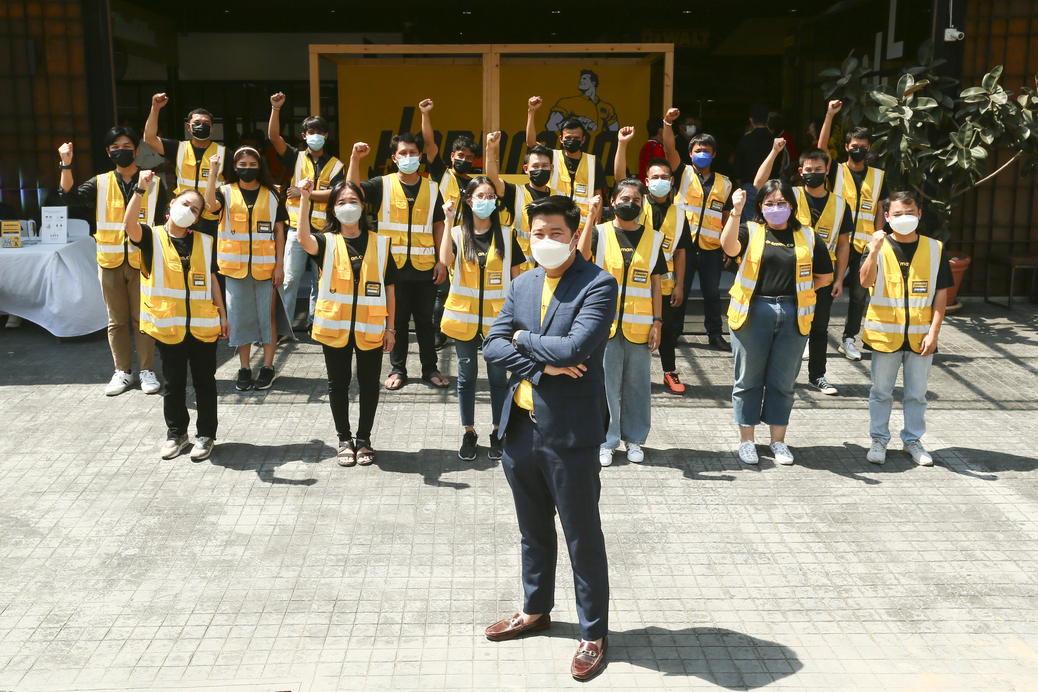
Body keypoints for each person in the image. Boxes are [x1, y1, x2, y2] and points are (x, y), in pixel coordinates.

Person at [482, 195, 617, 682]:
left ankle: (593, 633)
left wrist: (523, 340)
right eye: (537, 233)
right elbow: (491, 344)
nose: (545, 241)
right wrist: (542, 366)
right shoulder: (522, 283)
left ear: (575, 235)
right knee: (532, 530)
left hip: (571, 434)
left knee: (582, 536)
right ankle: (535, 610)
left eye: (555, 233)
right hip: (520, 428)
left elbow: (576, 347)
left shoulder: (598, 284)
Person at [720, 180, 833, 466]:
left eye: (782, 203)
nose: (776, 208)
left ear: (792, 206)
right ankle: (747, 442)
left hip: (794, 313)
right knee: (748, 380)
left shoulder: (808, 236)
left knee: (783, 382)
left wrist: (800, 293)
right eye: (769, 203)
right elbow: (729, 247)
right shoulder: (750, 230)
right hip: (752, 311)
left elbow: (824, 276)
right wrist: (735, 212)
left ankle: (778, 442)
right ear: (760, 206)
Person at [125, 174, 229, 462]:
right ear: (171, 204)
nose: (189, 211)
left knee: (205, 382)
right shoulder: (151, 236)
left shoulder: (205, 241)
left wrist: (223, 314)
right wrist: (140, 189)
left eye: (195, 209)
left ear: (197, 218)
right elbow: (129, 225)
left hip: (203, 325)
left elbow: (212, 279)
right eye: (185, 204)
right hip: (169, 326)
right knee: (174, 384)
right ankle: (177, 434)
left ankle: (206, 435)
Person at [296, 179, 397, 467]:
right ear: (333, 210)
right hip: (335, 327)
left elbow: (390, 288)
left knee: (369, 385)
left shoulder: (380, 243)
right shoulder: (326, 242)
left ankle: (363, 439)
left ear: (363, 206)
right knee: (337, 384)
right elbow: (303, 239)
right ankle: (344, 439)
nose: (348, 206)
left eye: (353, 201)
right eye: (341, 202)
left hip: (371, 327)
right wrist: (304, 199)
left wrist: (390, 328)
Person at [57, 128, 165, 397]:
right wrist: (66, 164)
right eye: (115, 147)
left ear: (137, 150)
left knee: (143, 318)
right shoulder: (100, 182)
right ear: (108, 152)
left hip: (143, 260)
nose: (121, 150)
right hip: (110, 260)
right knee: (116, 321)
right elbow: (69, 197)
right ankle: (123, 371)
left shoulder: (154, 182)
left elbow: (164, 222)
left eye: (127, 146)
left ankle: (147, 370)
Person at [346, 132, 450, 391]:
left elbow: (438, 225)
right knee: (398, 321)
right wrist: (355, 159)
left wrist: (441, 261)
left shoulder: (432, 188)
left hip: (426, 267)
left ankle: (430, 369)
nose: (408, 157)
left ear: (420, 156)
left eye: (413, 153)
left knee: (426, 322)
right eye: (403, 153)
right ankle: (398, 369)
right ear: (394, 158)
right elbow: (352, 191)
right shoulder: (382, 184)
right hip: (392, 268)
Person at [859, 191, 952, 467]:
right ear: (887, 217)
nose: (904, 218)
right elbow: (864, 282)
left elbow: (941, 293)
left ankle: (913, 440)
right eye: (897, 214)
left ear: (919, 214)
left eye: (910, 213)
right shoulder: (876, 246)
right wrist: (874, 249)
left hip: (921, 336)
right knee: (881, 391)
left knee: (917, 394)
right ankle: (879, 439)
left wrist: (934, 332)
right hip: (885, 335)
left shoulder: (935, 248)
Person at [578, 180, 664, 467]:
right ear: (612, 202)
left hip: (640, 326)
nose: (631, 203)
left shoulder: (653, 238)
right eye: (624, 198)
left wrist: (658, 322)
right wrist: (590, 216)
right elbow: (581, 256)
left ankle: (635, 439)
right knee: (606, 385)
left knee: (638, 385)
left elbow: (656, 284)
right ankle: (606, 440)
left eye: (636, 200)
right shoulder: (599, 232)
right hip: (604, 326)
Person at [754, 142, 852, 395]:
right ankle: (775, 376)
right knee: (784, 325)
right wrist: (774, 152)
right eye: (808, 169)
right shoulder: (790, 196)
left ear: (827, 170)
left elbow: (843, 245)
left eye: (818, 169)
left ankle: (817, 376)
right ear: (800, 171)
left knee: (819, 327)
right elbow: (759, 184)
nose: (813, 173)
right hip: (790, 272)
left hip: (822, 276)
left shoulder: (841, 205)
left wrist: (839, 278)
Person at [439, 178, 525, 461]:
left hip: (497, 323)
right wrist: (448, 220)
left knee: (498, 379)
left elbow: (518, 281)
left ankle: (498, 431)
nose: (486, 201)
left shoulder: (507, 235)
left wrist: (519, 320)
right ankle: (469, 431)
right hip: (463, 320)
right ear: (469, 200)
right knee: (466, 379)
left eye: (490, 196)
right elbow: (445, 260)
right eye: (480, 196)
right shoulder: (456, 233)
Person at [614, 125, 691, 394]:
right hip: (633, 281)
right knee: (629, 327)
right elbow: (620, 178)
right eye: (655, 177)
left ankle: (669, 372)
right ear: (646, 181)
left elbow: (680, 251)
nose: (660, 180)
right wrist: (622, 144)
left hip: (665, 284)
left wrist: (680, 285)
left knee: (665, 330)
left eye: (665, 177)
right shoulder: (636, 203)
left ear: (672, 181)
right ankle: (627, 374)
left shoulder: (680, 214)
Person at [203, 147, 287, 391]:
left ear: (260, 167)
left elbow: (279, 230)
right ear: (235, 167)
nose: (247, 168)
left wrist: (280, 265)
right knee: (240, 318)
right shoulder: (225, 192)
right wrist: (212, 172)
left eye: (252, 164)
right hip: (234, 269)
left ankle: (268, 366)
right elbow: (209, 206)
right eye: (242, 164)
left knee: (268, 317)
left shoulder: (273, 194)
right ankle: (244, 367)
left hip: (266, 268)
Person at [816, 99, 888, 362]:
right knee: (822, 291)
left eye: (863, 146)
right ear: (847, 147)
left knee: (859, 295)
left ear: (869, 148)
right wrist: (829, 115)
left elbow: (879, 210)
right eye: (854, 146)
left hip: (865, 246)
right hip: (835, 244)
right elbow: (821, 149)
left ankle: (848, 339)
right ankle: (811, 336)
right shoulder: (835, 171)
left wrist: (878, 243)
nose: (858, 150)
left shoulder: (878, 176)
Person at [268, 92, 346, 329]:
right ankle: (284, 327)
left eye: (319, 132)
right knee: (290, 279)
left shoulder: (336, 165)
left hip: (324, 232)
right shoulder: (295, 157)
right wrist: (276, 108)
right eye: (311, 132)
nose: (315, 136)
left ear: (326, 136)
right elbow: (273, 137)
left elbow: (335, 195)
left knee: (320, 280)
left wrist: (304, 192)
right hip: (295, 229)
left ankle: (316, 324)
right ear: (304, 136)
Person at [660, 108, 734, 350]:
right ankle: (674, 332)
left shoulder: (725, 183)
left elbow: (726, 216)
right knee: (678, 291)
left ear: (714, 154)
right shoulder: (682, 172)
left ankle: (715, 334)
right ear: (690, 154)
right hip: (684, 247)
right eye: (697, 150)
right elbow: (669, 148)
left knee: (712, 294)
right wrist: (668, 124)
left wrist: (727, 246)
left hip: (712, 249)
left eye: (706, 151)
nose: (702, 154)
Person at [419, 99, 477, 350]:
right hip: (443, 238)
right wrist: (425, 114)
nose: (464, 159)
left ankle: (470, 330)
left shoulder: (475, 184)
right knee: (442, 290)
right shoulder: (441, 173)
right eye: (460, 155)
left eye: (469, 157)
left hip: (468, 240)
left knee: (468, 286)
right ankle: (439, 333)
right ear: (452, 156)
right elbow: (429, 143)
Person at [143, 93, 224, 237]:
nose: (201, 125)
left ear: (212, 128)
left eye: (206, 123)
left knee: (208, 250)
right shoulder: (179, 148)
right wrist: (155, 108)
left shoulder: (224, 153)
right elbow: (149, 139)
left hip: (211, 218)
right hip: (183, 213)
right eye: (197, 122)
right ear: (189, 127)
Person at [526, 97, 607, 225]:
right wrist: (532, 111)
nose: (572, 141)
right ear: (561, 139)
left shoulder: (593, 162)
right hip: (555, 224)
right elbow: (531, 143)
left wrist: (596, 227)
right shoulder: (552, 156)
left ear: (583, 140)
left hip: (583, 227)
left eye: (576, 138)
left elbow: (598, 197)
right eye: (568, 138)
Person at [486, 133, 553, 272]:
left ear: (552, 168)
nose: (540, 170)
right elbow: (493, 179)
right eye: (535, 166)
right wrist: (490, 149)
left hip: (551, 269)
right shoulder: (515, 193)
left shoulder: (560, 198)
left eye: (544, 166)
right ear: (526, 169)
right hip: (521, 271)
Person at [732, 103, 775, 220]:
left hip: (749, 187)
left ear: (751, 120)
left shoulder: (745, 140)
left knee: (750, 225)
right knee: (771, 222)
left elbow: (737, 167)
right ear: (768, 119)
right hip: (772, 187)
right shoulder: (775, 141)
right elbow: (781, 167)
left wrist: (740, 185)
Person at [637, 117, 667, 184]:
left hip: (644, 184)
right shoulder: (658, 147)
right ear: (661, 131)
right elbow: (661, 169)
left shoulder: (645, 146)